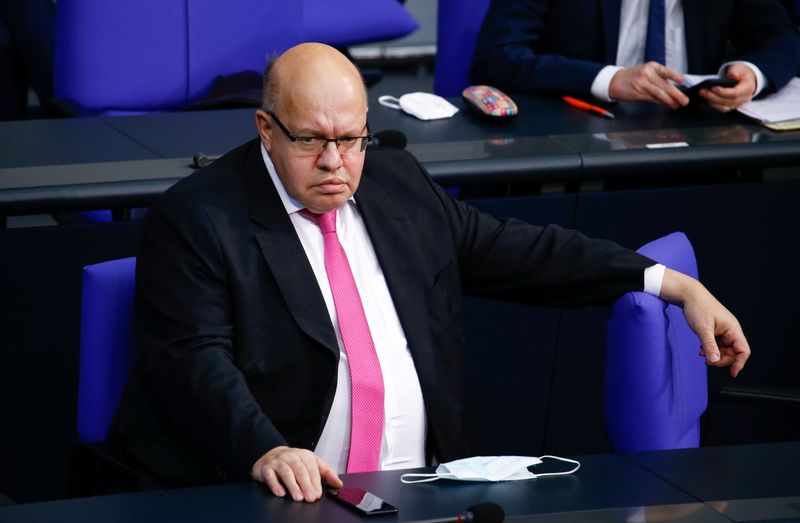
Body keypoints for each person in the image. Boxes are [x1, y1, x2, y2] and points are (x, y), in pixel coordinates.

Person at [111, 43, 750, 503]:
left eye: (351, 138)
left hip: (421, 493)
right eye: (310, 140)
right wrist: (266, 449)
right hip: (281, 495)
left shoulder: (396, 182)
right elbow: (193, 359)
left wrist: (671, 282)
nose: (335, 162)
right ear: (265, 129)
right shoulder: (197, 217)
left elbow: (519, 250)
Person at [470, 0, 800, 112]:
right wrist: (611, 80)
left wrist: (754, 74)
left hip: (700, 140)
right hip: (582, 144)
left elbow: (781, 36)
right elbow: (497, 57)